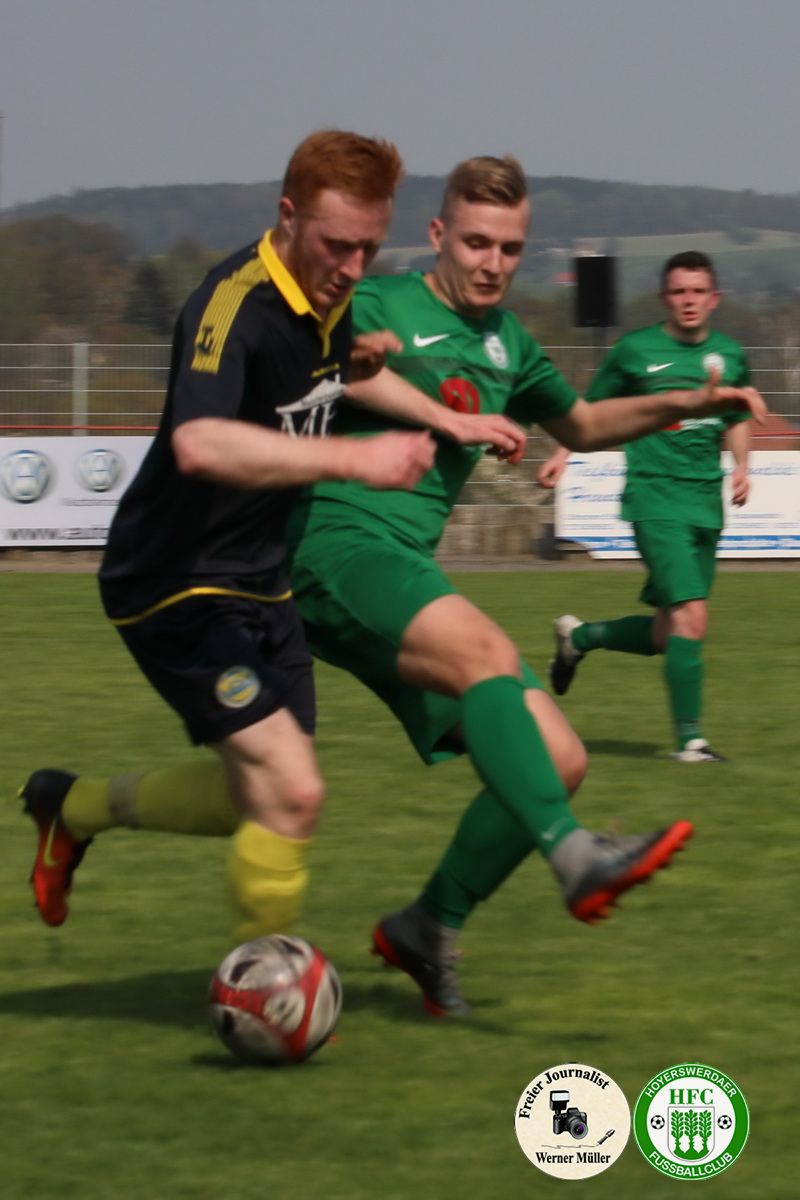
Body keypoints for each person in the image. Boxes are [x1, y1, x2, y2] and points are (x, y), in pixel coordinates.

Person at [283, 163, 764, 1015]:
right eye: (476, 242)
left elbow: (583, 423)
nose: (493, 263)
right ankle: (574, 859)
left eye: (510, 248)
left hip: (405, 563)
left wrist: (685, 402)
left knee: (559, 757)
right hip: (333, 541)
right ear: (438, 236)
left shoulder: (508, 342)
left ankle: (427, 927)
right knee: (485, 651)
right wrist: (446, 417)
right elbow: (326, 364)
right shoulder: (384, 302)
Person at [19, 129, 448, 945]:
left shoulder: (326, 296)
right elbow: (200, 443)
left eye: (369, 247)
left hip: (261, 579)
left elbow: (320, 375)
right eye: (338, 245)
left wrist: (440, 412)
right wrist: (355, 460)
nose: (354, 267)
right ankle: (262, 981)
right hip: (176, 583)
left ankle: (70, 808)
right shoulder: (231, 305)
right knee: (293, 791)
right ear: (288, 217)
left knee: (263, 797)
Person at [539, 251, 751, 763]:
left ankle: (579, 637)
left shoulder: (731, 354)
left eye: (697, 291)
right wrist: (563, 453)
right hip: (654, 498)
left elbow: (737, 416)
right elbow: (587, 412)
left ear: (714, 298)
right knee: (692, 617)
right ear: (664, 298)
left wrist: (744, 466)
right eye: (679, 291)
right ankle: (690, 741)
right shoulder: (635, 351)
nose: (688, 300)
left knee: (666, 633)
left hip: (705, 502)